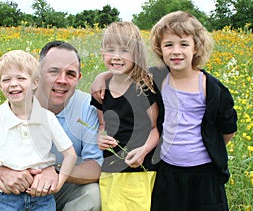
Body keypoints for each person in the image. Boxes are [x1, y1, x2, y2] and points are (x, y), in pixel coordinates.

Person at [0, 41, 103, 211]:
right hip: (7, 193)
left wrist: (54, 171)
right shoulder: (4, 113)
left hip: (54, 191)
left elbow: (96, 167)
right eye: (53, 71)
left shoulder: (86, 106)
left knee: (92, 195)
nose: (62, 80)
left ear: (79, 78)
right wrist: (2, 173)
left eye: (70, 74)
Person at [149, 11, 237, 210]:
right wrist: (101, 79)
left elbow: (228, 130)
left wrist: (210, 146)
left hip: (205, 175)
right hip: (168, 172)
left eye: (184, 44)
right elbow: (124, 75)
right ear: (160, 49)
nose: (176, 51)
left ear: (196, 47)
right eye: (168, 45)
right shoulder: (157, 79)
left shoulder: (212, 89)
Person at [0, 50, 77, 210]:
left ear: (35, 82)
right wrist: (1, 185)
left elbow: (70, 154)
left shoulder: (47, 118)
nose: (13, 84)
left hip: (42, 197)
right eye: (6, 79)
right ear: (0, 85)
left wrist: (58, 183)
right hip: (9, 199)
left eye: (21, 78)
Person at [90, 21, 163, 210]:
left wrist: (144, 150)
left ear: (136, 54)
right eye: (110, 50)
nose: (116, 56)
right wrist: (101, 137)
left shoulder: (144, 88)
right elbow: (102, 125)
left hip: (138, 169)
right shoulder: (101, 90)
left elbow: (156, 128)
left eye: (124, 50)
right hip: (110, 168)